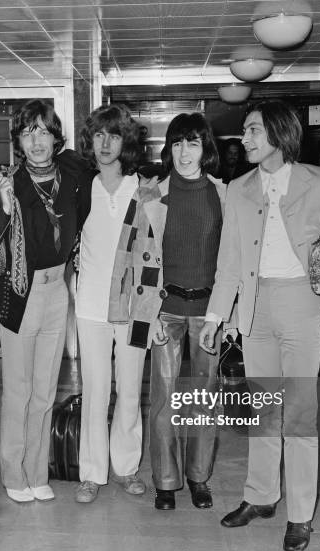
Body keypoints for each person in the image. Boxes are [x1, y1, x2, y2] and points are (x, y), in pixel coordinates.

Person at [199, 100, 320, 551]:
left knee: (300, 414)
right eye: (244, 132)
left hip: (303, 307)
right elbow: (229, 263)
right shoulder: (239, 187)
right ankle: (260, 497)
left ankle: (300, 515)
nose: (243, 140)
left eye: (251, 131)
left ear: (278, 134)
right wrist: (215, 317)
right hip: (255, 309)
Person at [109, 112, 226, 511]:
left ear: (205, 149)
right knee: (164, 399)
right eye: (177, 143)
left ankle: (198, 478)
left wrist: (227, 313)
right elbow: (128, 254)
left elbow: (234, 259)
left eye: (192, 143)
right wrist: (143, 314)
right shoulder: (150, 194)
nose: (184, 152)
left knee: (205, 399)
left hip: (208, 312)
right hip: (165, 311)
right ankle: (165, 480)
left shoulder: (222, 195)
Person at [0, 99, 89, 504]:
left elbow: (82, 214)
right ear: (18, 141)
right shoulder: (7, 181)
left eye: (43, 131)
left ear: (56, 136)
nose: (36, 140)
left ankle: (36, 469)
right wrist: (2, 203)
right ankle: (14, 472)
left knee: (46, 389)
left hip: (55, 289)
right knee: (19, 389)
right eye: (28, 132)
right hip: (19, 290)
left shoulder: (72, 174)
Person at [73, 104, 147, 503]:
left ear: (126, 141)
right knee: (96, 389)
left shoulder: (145, 187)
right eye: (99, 135)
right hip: (90, 306)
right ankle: (91, 473)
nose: (105, 143)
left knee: (131, 389)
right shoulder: (81, 187)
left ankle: (127, 467)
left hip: (134, 306)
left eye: (114, 135)